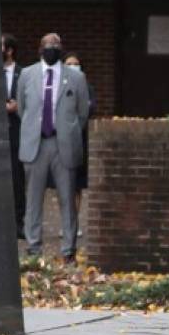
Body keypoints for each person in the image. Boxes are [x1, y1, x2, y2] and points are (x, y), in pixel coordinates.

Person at [17, 33, 90, 264]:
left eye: (56, 46)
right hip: (35, 143)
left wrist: (69, 130)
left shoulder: (76, 78)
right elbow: (21, 108)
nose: (52, 49)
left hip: (63, 144)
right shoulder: (27, 75)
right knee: (33, 199)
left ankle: (68, 250)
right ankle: (33, 248)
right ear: (40, 49)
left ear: (61, 49)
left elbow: (82, 113)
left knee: (67, 198)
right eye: (48, 46)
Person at [62, 52, 95, 237]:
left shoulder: (86, 87)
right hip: (61, 140)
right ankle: (65, 222)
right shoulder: (59, 86)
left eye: (76, 63)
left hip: (80, 140)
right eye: (69, 63)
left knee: (77, 185)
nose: (73, 66)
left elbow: (91, 107)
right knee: (63, 183)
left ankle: (74, 222)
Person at [2, 33, 25, 239]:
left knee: (17, 180)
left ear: (9, 50)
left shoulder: (23, 74)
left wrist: (18, 107)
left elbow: (31, 102)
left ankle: (18, 223)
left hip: (17, 133)